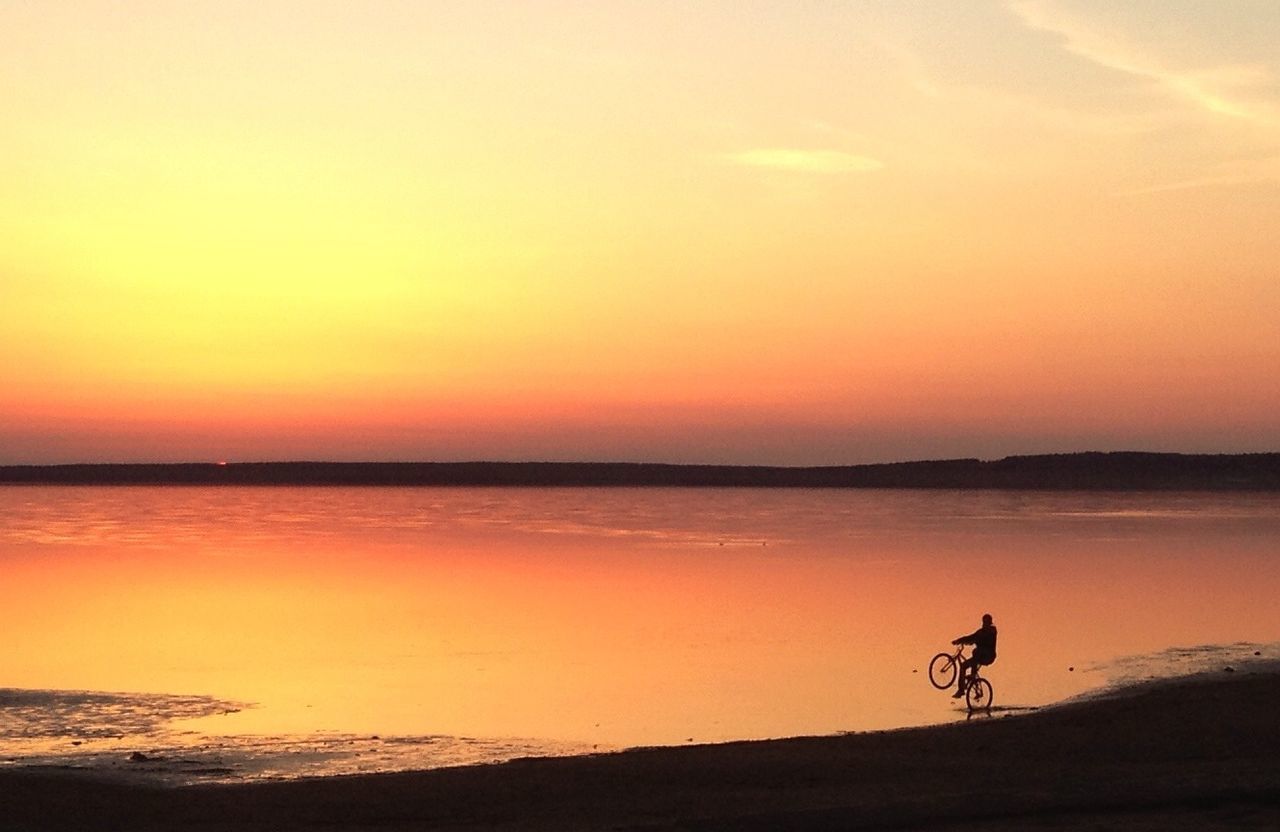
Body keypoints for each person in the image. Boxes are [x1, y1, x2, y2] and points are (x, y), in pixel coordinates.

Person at [951, 613, 997, 698]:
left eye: (986, 622)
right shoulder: (981, 632)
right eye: (984, 622)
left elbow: (979, 638)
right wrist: (959, 641)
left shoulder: (992, 631)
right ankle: (962, 690)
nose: (984, 624)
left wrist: (973, 640)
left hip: (988, 656)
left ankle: (972, 676)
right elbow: (971, 637)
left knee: (976, 652)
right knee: (963, 666)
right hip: (980, 656)